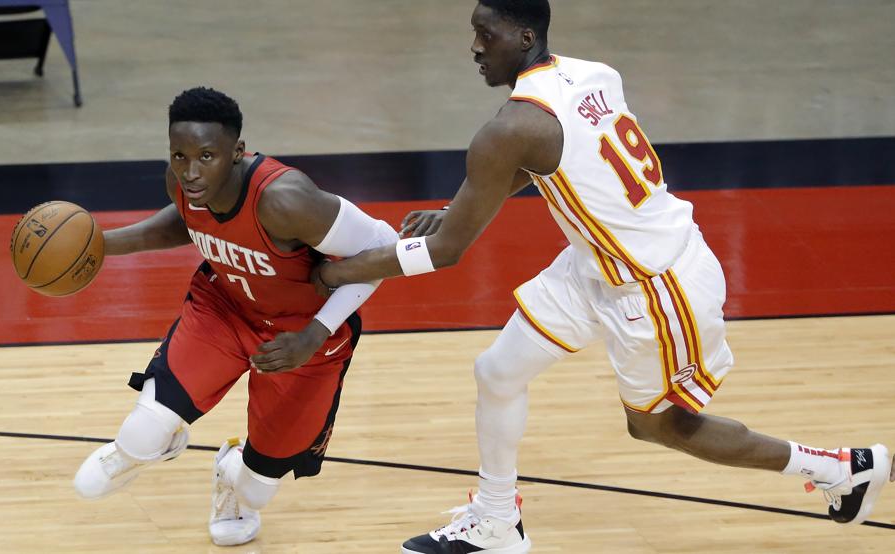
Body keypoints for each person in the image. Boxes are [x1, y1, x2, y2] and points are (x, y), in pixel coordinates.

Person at [314, 2, 893, 552]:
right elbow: (558, 160)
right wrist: (464, 207)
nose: (474, 47)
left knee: (660, 427)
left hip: (655, 284)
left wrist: (340, 272)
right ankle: (496, 520)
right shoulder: (593, 74)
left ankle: (842, 469)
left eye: (485, 34)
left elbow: (445, 254)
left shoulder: (511, 127)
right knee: (497, 371)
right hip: (594, 262)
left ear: (524, 37)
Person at [71, 86, 398, 546]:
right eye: (179, 156)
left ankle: (231, 472)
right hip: (224, 310)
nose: (190, 171)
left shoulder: (285, 199)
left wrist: (312, 335)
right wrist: (100, 245)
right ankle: (155, 438)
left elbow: (384, 248)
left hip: (303, 336)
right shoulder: (182, 182)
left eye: (207, 156)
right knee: (139, 435)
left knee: (258, 491)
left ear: (238, 152)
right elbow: (186, 220)